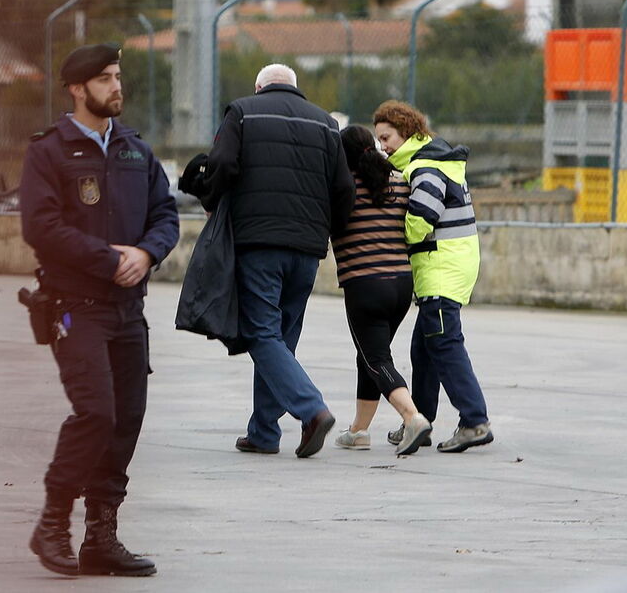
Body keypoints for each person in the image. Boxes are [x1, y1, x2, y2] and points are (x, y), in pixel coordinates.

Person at [19, 43, 179, 577]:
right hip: (74, 308)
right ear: (77, 88)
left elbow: (166, 214)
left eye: (118, 76)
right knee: (96, 413)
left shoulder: (135, 150)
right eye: (105, 79)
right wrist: (107, 259)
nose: (117, 87)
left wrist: (147, 251)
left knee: (126, 419)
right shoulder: (49, 151)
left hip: (128, 311)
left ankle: (101, 538)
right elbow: (40, 227)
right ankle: (52, 525)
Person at [198, 64, 354, 458]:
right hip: (306, 249)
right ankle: (264, 432)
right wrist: (323, 230)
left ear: (259, 86)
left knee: (261, 333)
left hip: (259, 242)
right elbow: (343, 189)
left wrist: (211, 203)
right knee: (281, 338)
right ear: (295, 88)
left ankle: (312, 409)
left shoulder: (242, 111)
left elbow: (222, 164)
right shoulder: (325, 123)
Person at [372, 100, 493, 453]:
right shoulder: (433, 160)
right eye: (379, 140)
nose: (384, 146)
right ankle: (418, 421)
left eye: (387, 137)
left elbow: (423, 216)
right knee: (423, 346)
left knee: (443, 342)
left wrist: (400, 235)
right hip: (446, 266)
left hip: (442, 269)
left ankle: (474, 421)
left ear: (406, 132)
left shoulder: (425, 166)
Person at [331, 125, 432, 456]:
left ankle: (412, 417)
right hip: (401, 285)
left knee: (376, 358)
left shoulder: (341, 189)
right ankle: (359, 431)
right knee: (370, 357)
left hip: (364, 284)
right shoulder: (398, 181)